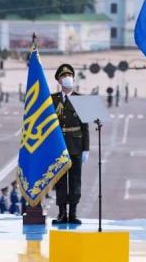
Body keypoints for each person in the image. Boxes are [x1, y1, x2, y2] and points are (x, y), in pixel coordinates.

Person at [50, 63, 89, 225]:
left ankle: (73, 213)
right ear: (59, 80)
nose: (67, 79)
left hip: (76, 146)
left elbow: (85, 127)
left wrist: (86, 148)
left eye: (70, 76)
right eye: (64, 77)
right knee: (60, 180)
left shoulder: (81, 99)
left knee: (75, 180)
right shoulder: (53, 100)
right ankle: (61, 213)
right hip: (59, 146)